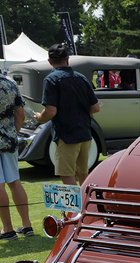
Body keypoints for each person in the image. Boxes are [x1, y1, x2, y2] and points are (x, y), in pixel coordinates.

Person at [33, 43, 100, 186]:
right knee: (83, 173)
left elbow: (51, 111)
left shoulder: (51, 80)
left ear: (50, 61)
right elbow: (95, 107)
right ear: (67, 59)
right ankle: (85, 207)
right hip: (85, 133)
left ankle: (75, 209)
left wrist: (40, 118)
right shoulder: (81, 78)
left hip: (66, 135)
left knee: (66, 175)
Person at [0, 73, 33, 240]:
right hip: (9, 140)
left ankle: (8, 229)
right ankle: (27, 225)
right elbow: (21, 114)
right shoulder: (10, 83)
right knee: (15, 182)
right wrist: (14, 133)